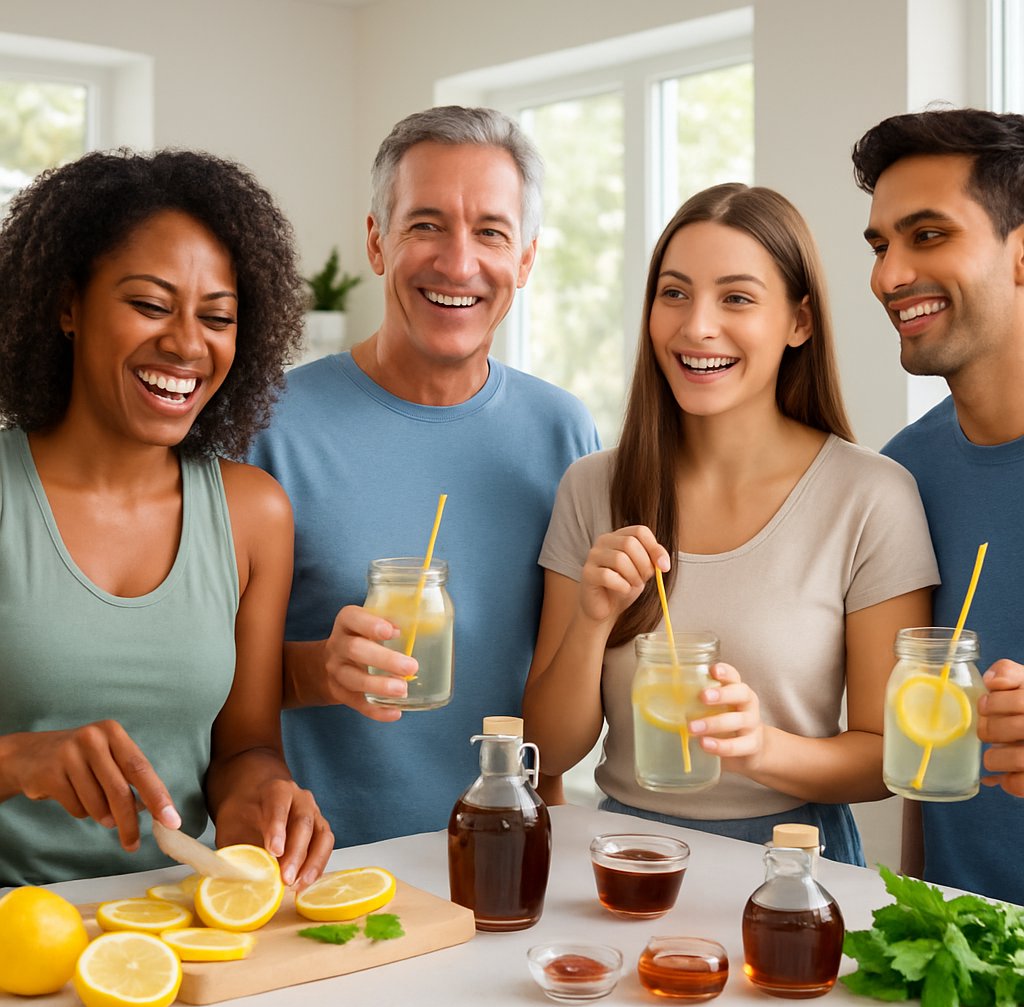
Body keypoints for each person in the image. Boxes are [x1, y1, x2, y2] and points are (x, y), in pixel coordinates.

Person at [522, 183, 938, 865]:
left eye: (737, 298)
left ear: (800, 322)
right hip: (624, 857)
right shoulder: (592, 487)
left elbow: (885, 758)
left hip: (794, 861)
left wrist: (760, 748)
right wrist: (594, 619)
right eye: (675, 293)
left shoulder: (871, 497)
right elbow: (548, 749)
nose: (697, 327)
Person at [249, 106, 599, 847]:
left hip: (503, 864)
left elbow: (552, 701)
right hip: (325, 877)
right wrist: (320, 670)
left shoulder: (564, 432)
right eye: (426, 224)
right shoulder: (269, 427)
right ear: (378, 242)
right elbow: (199, 682)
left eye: (492, 233)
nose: (459, 262)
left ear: (527, 259)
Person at [0, 149, 333, 889]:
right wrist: (19, 760)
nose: (187, 345)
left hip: (179, 927)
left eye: (217, 317)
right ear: (66, 305)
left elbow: (244, 748)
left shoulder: (254, 513)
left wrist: (265, 798)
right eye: (150, 305)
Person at [853, 108, 1024, 904]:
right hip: (966, 952)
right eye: (882, 245)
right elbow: (921, 737)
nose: (889, 276)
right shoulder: (903, 475)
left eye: (927, 236)